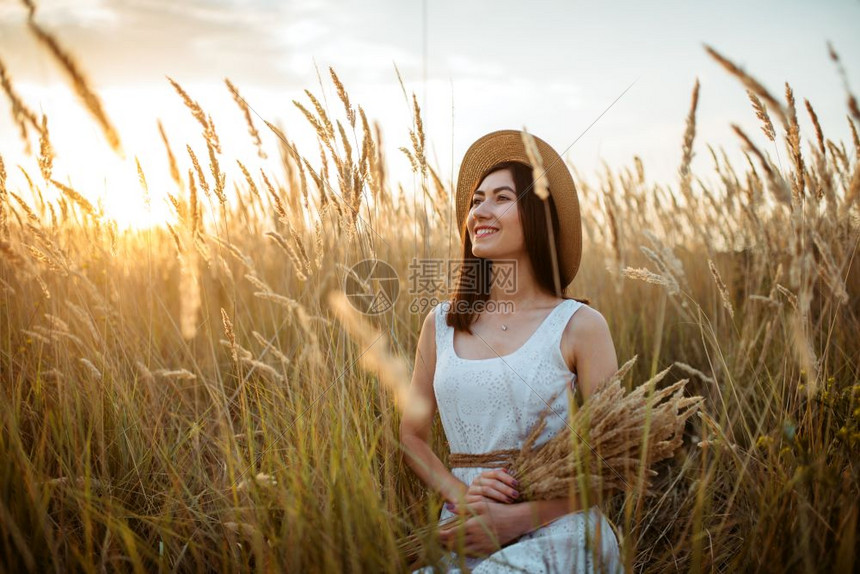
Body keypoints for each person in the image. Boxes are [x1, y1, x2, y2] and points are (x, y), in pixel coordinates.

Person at [400, 130, 623, 573]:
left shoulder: (580, 326)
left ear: (538, 217)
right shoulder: (441, 323)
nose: (480, 211)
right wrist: (460, 497)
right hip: (465, 527)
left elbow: (613, 461)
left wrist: (515, 519)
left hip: (561, 528)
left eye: (501, 198)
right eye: (476, 200)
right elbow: (411, 436)